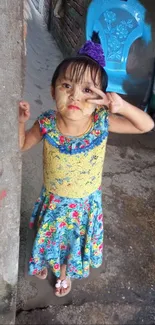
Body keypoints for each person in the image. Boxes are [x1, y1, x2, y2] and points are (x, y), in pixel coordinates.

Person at [19, 32, 154, 297]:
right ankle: (45, 261)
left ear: (100, 99)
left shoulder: (102, 121)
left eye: (87, 91)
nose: (75, 97)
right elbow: (21, 144)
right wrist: (20, 122)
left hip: (85, 205)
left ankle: (64, 273)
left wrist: (122, 106)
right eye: (67, 86)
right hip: (55, 201)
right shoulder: (46, 123)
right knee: (49, 237)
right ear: (52, 90)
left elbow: (146, 125)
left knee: (72, 245)